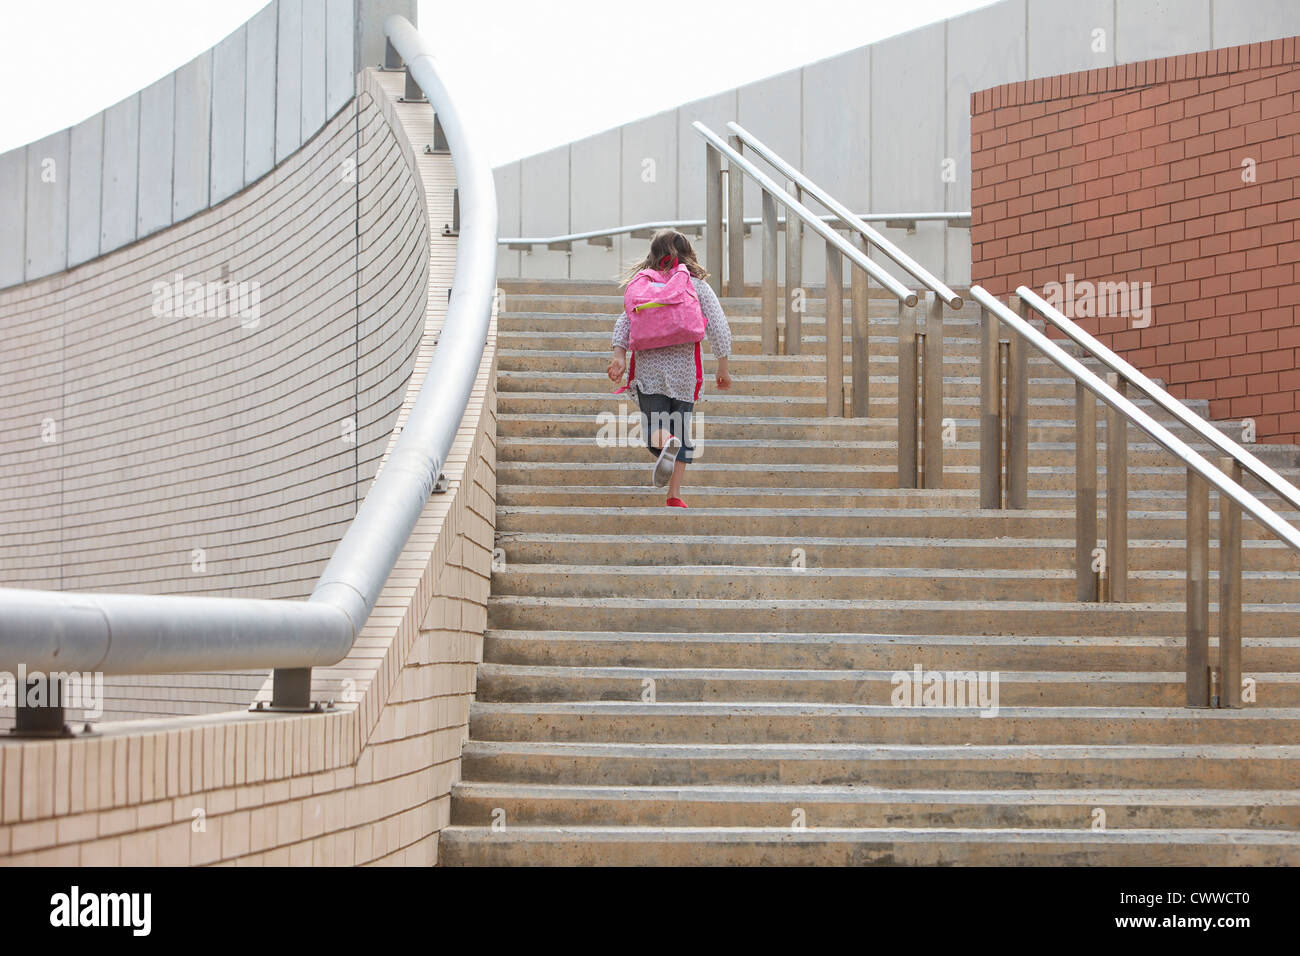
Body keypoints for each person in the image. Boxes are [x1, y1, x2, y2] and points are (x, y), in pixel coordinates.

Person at [607, 229, 733, 508]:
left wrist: (619, 357)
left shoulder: (643, 285)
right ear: (688, 254)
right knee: (683, 432)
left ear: (652, 255)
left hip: (649, 373)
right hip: (684, 376)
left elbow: (624, 323)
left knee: (655, 431)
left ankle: (667, 441)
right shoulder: (696, 285)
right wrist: (722, 365)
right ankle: (674, 494)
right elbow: (719, 325)